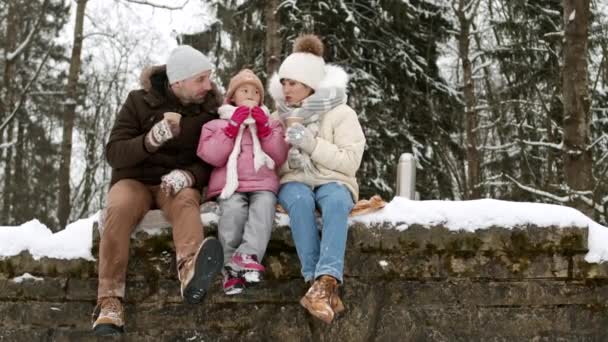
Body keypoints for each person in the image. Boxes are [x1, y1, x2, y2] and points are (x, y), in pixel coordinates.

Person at [92, 45, 224, 336]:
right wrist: (150, 140)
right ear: (178, 83)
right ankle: (110, 301)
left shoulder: (208, 112)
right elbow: (114, 153)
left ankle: (191, 268)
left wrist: (188, 175)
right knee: (119, 208)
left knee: (188, 200)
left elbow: (212, 162)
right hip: (134, 181)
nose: (209, 85)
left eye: (209, 77)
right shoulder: (138, 102)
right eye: (201, 79)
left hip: (174, 185)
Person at [269, 34, 366, 324]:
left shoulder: (341, 113)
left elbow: (350, 162)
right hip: (294, 180)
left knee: (337, 202)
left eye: (293, 83)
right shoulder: (277, 116)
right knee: (298, 200)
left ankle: (325, 280)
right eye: (283, 82)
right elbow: (270, 165)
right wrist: (284, 147)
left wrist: (311, 144)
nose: (286, 89)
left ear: (311, 85)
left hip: (333, 179)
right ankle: (316, 282)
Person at [197, 69, 288, 295]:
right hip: (231, 185)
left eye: (255, 92)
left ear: (261, 99)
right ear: (232, 98)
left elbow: (279, 155)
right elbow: (212, 156)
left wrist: (265, 129)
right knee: (233, 212)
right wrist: (231, 129)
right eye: (244, 90)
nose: (250, 94)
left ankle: (245, 257)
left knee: (264, 209)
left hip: (263, 184)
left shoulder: (272, 124)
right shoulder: (215, 125)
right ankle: (231, 269)